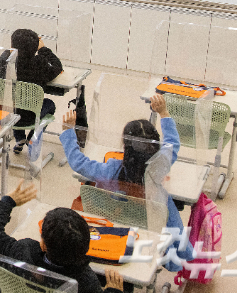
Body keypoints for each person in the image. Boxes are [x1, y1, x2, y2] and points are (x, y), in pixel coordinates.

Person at [60, 93, 193, 272]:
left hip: (114, 226)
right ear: (156, 147)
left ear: (124, 146)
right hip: (150, 228)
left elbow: (78, 162)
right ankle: (181, 256)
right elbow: (173, 144)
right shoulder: (160, 165)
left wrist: (69, 131)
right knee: (168, 206)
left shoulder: (110, 169)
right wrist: (164, 113)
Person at [0, 180, 124, 293]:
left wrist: (7, 202)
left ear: (43, 245)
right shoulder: (86, 281)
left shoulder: (23, 250)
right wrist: (114, 290)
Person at [0, 28, 62, 154]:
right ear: (35, 48)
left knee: (15, 101)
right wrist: (43, 49)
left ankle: (20, 138)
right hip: (31, 117)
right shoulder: (39, 63)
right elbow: (57, 67)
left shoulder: (5, 62)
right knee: (49, 104)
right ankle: (33, 137)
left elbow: (8, 53)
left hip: (8, 115)